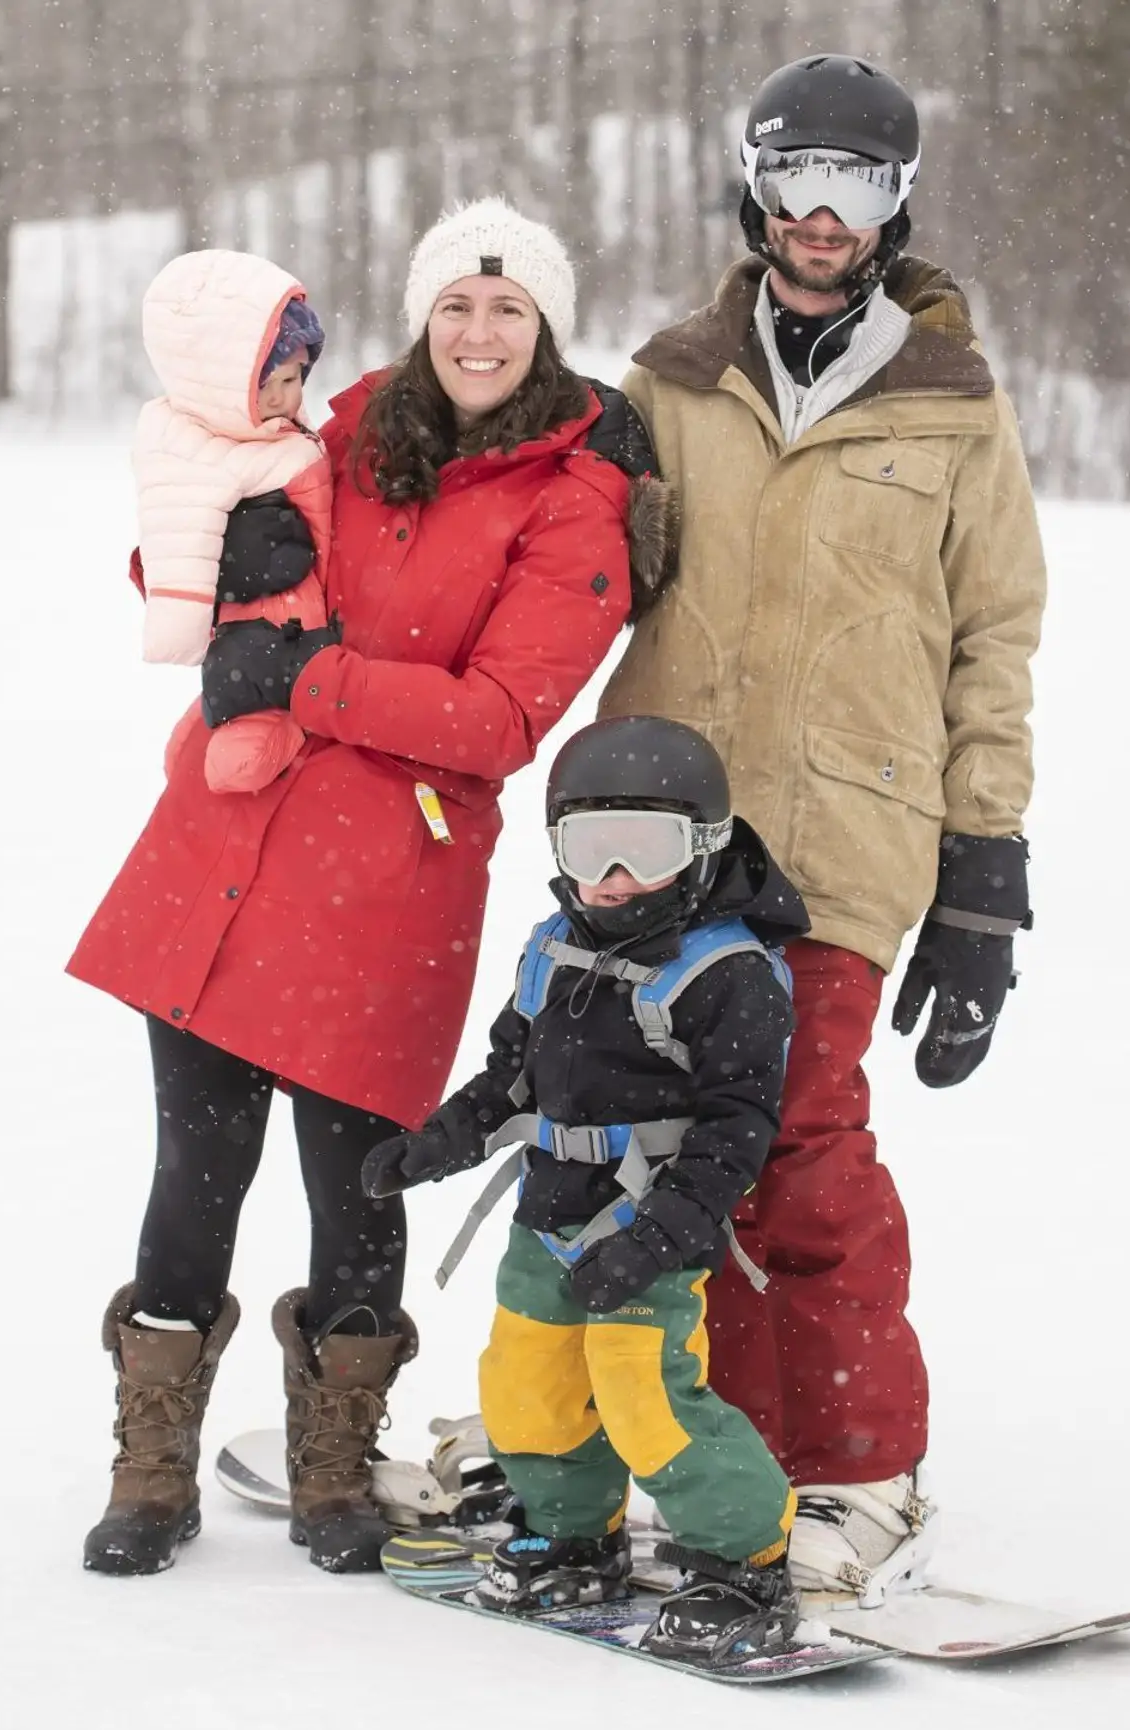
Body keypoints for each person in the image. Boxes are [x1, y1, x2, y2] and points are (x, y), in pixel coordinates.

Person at [67, 198, 669, 1579]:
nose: (476, 331)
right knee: (194, 1173)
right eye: (456, 303)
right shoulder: (348, 425)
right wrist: (193, 573)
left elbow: (502, 717)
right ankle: (151, 1470)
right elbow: (213, 503)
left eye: (507, 310)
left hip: (388, 877)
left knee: (357, 1189)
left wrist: (312, 681)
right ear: (421, 315)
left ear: (548, 327)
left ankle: (335, 1465)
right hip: (232, 842)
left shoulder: (576, 497)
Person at [598, 54, 1048, 1601]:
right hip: (670, 837)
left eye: (856, 188)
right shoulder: (668, 382)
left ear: (897, 205)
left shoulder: (956, 404)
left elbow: (996, 632)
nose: (821, 216)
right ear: (753, 188)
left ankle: (860, 1467)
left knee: (798, 1141)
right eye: (797, 181)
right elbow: (549, 553)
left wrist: (986, 870)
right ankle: (717, 1456)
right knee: (660, 1150)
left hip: (852, 835)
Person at [361, 716, 811, 1662]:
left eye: (642, 851)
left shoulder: (729, 976)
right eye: (586, 846)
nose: (611, 877)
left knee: (647, 1398)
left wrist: (652, 1241)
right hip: (546, 1221)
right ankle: (573, 1535)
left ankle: (743, 1557)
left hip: (651, 1226)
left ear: (703, 849)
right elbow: (508, 1076)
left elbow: (736, 1137)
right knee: (528, 1389)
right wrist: (435, 1145)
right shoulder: (552, 945)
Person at [131, 249, 332, 795]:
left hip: (311, 619)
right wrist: (204, 595)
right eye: (270, 382)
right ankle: (263, 732)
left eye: (296, 379)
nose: (287, 397)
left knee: (211, 734)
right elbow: (174, 534)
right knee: (236, 754)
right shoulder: (190, 445)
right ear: (222, 382)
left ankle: (217, 731)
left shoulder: (275, 426)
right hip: (267, 634)